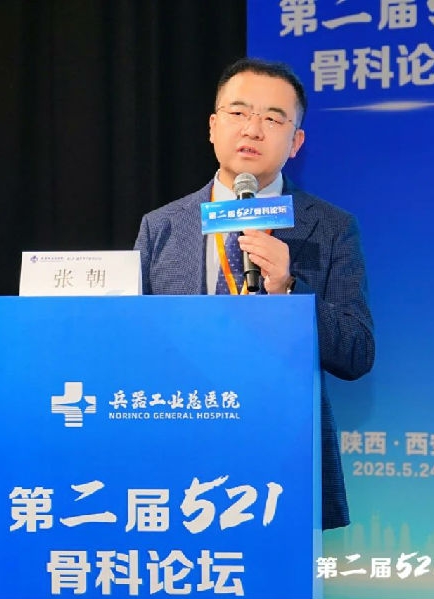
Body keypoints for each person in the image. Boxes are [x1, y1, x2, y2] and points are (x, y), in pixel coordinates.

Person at [134, 57, 374, 530]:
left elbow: (357, 352)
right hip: (178, 456)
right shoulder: (161, 227)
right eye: (239, 113)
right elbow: (135, 345)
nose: (252, 129)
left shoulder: (330, 227)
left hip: (280, 458)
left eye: (272, 119)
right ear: (213, 126)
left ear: (296, 142)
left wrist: (289, 289)